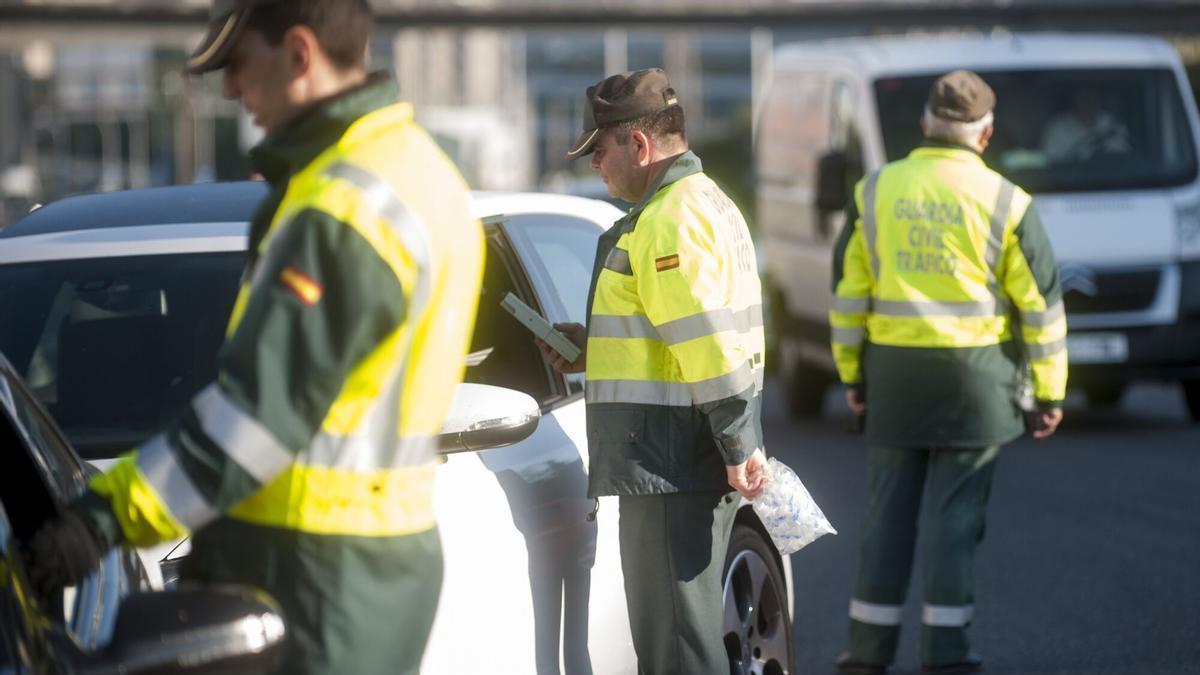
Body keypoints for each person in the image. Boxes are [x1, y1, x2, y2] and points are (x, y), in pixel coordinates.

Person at [24, 1, 484, 673]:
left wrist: (96, 521)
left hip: (312, 566)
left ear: (300, 55)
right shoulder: (415, 172)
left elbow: (252, 416)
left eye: (239, 65)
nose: (233, 90)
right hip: (359, 561)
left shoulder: (343, 206)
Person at [829, 70, 1068, 675]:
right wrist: (1048, 390)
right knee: (955, 518)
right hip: (976, 379)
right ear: (985, 134)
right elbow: (1041, 307)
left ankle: (867, 650)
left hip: (895, 377)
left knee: (886, 516)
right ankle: (947, 653)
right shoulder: (1008, 202)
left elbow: (848, 295)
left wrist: (854, 376)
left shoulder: (874, 191)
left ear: (924, 126)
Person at [538, 68, 768, 675]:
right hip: (686, 455)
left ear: (639, 145)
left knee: (677, 653)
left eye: (601, 149)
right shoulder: (710, 202)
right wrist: (596, 346)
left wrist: (738, 438)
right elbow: (682, 329)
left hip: (667, 463)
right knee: (685, 639)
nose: (596, 165)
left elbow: (705, 341)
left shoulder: (666, 220)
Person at [1040, 84, 1131, 163]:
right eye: (1082, 92)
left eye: (1091, 91)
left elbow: (1122, 160)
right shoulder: (1057, 129)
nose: (1087, 97)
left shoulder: (1113, 125)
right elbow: (1052, 167)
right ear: (1073, 95)